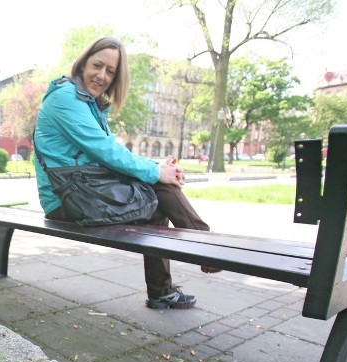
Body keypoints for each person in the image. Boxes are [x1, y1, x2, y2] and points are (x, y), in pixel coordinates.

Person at [33, 36, 218, 310]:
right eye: (97, 65)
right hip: (65, 200)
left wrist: (157, 168)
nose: (102, 75)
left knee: (156, 196)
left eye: (111, 71)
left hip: (79, 192)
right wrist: (156, 172)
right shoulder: (66, 98)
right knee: (160, 190)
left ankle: (163, 290)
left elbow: (109, 156)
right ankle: (208, 251)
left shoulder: (86, 103)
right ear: (83, 63)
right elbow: (106, 151)